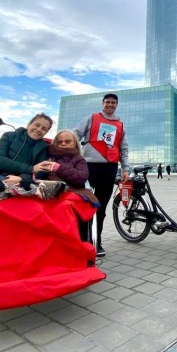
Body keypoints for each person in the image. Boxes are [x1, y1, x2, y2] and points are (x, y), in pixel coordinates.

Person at [74, 93, 130, 258]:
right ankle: (81, 240)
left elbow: (124, 148)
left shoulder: (120, 125)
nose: (110, 105)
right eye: (107, 102)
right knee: (84, 203)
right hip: (89, 166)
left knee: (101, 206)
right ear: (102, 103)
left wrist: (125, 168)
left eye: (113, 103)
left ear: (116, 105)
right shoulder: (91, 118)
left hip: (109, 167)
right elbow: (75, 134)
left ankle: (96, 240)